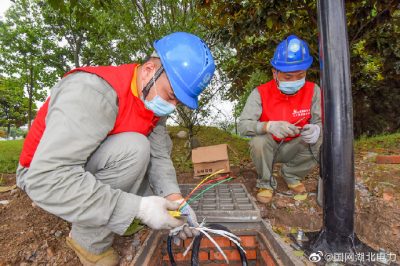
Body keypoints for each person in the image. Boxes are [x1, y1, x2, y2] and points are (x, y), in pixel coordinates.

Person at [16, 32, 215, 265]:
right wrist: (138, 208)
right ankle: (88, 243)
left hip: (90, 159)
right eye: (171, 96)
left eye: (178, 103)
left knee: (153, 181)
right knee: (136, 149)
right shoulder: (91, 92)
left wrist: (175, 199)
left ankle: (119, 214)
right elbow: (46, 177)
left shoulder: (151, 100)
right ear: (150, 70)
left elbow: (159, 155)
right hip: (42, 173)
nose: (171, 107)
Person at [238, 35, 322, 204]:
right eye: (288, 77)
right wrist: (268, 126)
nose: (295, 81)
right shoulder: (260, 93)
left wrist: (316, 129)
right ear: (274, 73)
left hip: (296, 146)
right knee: (258, 142)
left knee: (322, 138)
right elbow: (243, 126)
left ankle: (291, 173)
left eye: (300, 75)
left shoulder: (314, 90)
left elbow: (320, 121)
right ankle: (266, 182)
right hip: (270, 149)